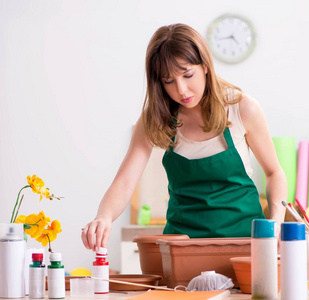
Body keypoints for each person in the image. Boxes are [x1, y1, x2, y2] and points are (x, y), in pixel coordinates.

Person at [81, 23, 287, 252]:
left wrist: (277, 221)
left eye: (188, 74)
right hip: (182, 249)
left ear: (205, 66)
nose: (182, 90)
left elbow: (274, 172)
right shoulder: (154, 119)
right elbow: (126, 181)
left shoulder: (242, 108)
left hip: (244, 245)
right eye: (168, 81)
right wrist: (104, 216)